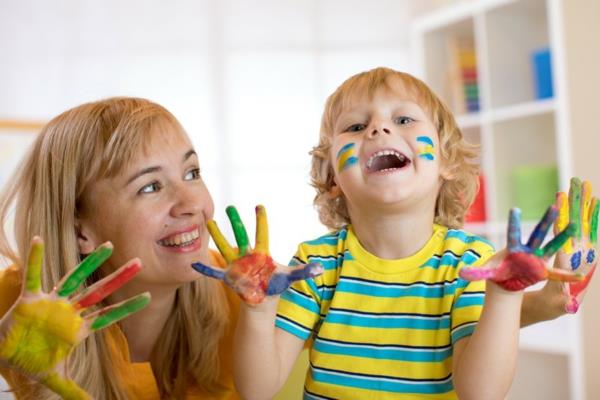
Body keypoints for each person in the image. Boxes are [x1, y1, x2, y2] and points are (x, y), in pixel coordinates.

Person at [199, 67, 592, 399]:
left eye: (403, 119)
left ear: (446, 162)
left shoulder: (468, 264)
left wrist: (503, 296)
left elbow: (480, 392)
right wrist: (258, 310)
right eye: (355, 126)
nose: (378, 129)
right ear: (332, 175)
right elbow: (257, 389)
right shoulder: (317, 265)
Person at [0, 97, 241, 399]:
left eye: (192, 173)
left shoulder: (242, 289)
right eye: (150, 187)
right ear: (79, 232)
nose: (193, 205)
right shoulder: (19, 305)